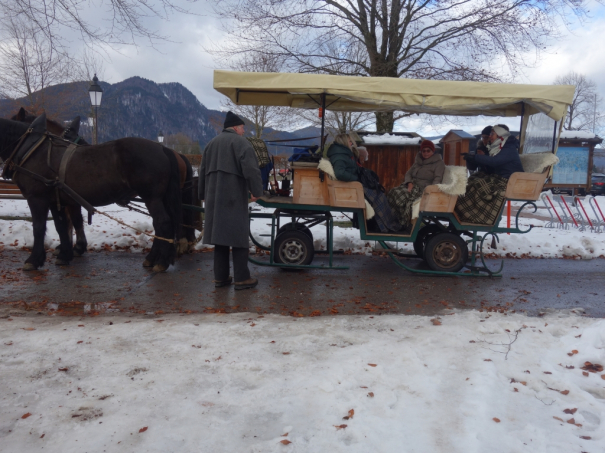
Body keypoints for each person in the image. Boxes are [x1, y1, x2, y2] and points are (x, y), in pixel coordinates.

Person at [198, 111, 264, 290]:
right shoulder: (241, 143)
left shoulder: (211, 144)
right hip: (233, 197)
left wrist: (202, 194)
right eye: (243, 128)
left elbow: (202, 171)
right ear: (235, 127)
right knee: (238, 236)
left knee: (220, 237)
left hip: (214, 198)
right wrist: (257, 191)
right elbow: (251, 170)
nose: (244, 131)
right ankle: (242, 278)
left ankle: (221, 277)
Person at [327, 133, 402, 233]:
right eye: (350, 141)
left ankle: (387, 225)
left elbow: (350, 169)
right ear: (344, 141)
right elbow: (340, 173)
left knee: (379, 193)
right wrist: (356, 179)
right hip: (351, 187)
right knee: (379, 197)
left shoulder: (343, 153)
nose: (351, 143)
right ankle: (386, 227)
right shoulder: (340, 155)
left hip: (353, 185)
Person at [456, 124, 524, 225]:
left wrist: (476, 157)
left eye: (492, 134)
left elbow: (494, 162)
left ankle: (481, 217)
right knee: (471, 182)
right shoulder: (496, 147)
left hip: (508, 181)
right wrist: (471, 158)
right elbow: (476, 166)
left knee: (479, 185)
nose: (490, 136)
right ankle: (462, 211)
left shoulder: (508, 148)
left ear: (500, 135)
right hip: (499, 177)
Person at [387, 140, 445, 226]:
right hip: (412, 185)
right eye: (423, 151)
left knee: (399, 195)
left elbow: (438, 178)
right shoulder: (418, 162)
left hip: (423, 189)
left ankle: (403, 221)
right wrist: (409, 182)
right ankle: (392, 219)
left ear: (433, 151)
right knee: (393, 192)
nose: (425, 153)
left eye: (428, 151)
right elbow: (408, 173)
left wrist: (429, 191)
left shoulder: (438, 163)